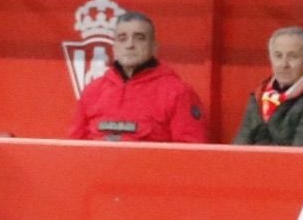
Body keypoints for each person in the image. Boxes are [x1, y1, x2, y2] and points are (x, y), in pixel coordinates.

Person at [68, 12, 209, 143]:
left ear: (154, 46)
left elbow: (190, 156)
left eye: (139, 38)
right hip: (96, 169)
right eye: (122, 39)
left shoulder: (178, 93)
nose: (130, 45)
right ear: (114, 47)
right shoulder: (93, 91)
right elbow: (74, 149)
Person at [232, 26, 303, 146]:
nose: (284, 64)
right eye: (278, 56)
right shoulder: (259, 95)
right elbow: (239, 145)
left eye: (293, 56)